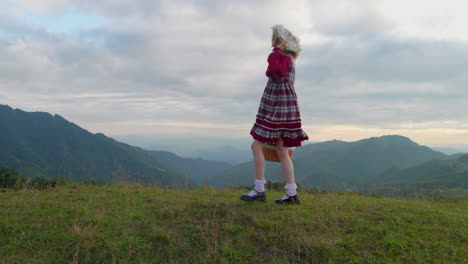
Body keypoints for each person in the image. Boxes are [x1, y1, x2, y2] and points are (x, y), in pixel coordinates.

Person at [240, 24, 309, 205]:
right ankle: (292, 193)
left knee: (257, 145)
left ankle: (259, 189)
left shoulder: (284, 57)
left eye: (276, 42)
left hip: (279, 104)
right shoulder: (288, 58)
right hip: (284, 104)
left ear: (284, 43)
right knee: (281, 149)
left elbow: (273, 70)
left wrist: (277, 51)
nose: (274, 44)